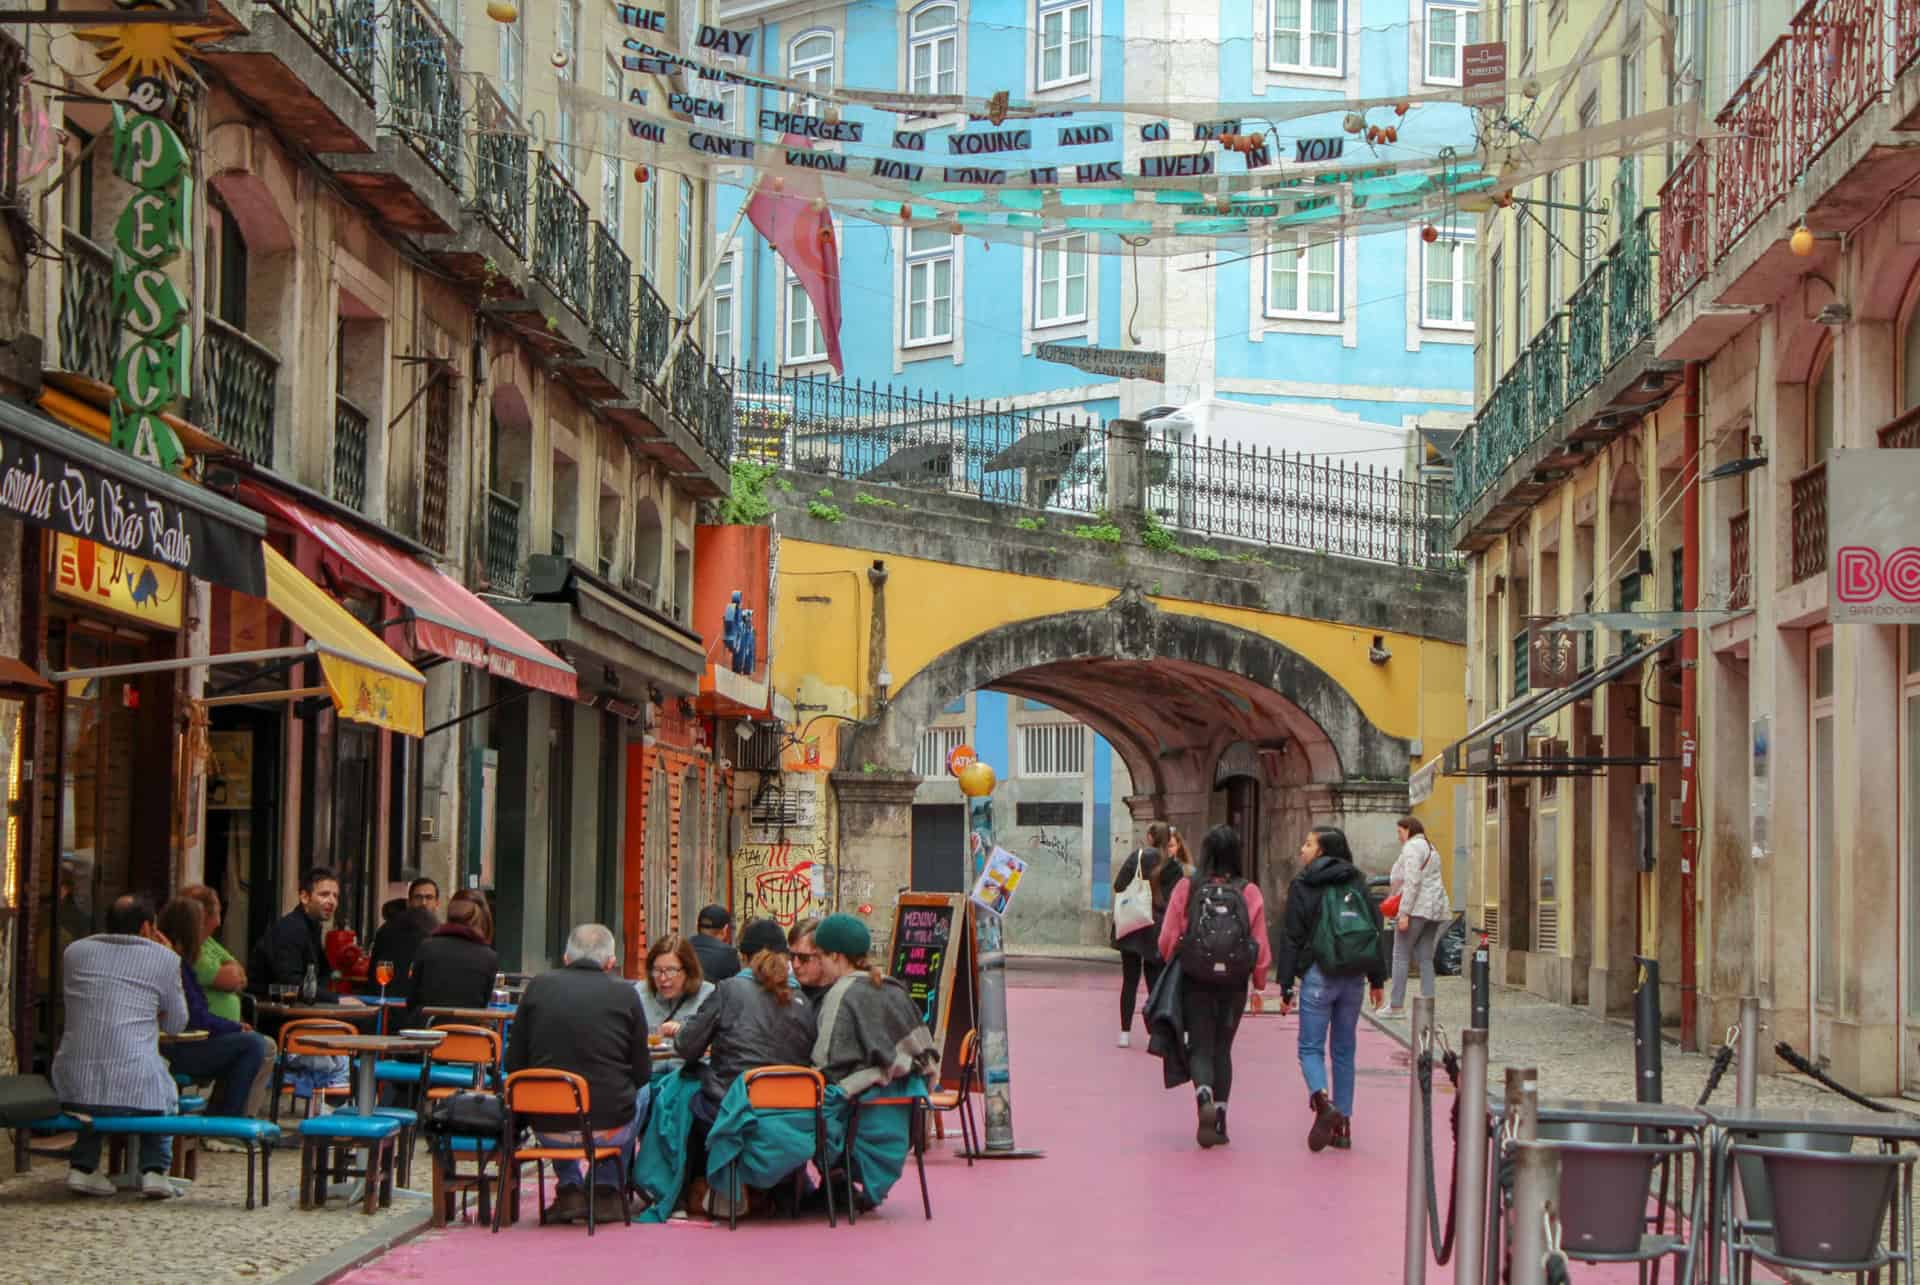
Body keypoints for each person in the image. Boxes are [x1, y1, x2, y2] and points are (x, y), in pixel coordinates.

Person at [506, 924, 652, 1224]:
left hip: (546, 1125)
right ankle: (606, 1188)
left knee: (550, 1088)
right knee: (644, 1091)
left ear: (566, 958)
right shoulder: (625, 993)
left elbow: (514, 1063)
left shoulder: (538, 987)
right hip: (608, 1128)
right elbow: (642, 1071)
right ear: (610, 962)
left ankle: (570, 1187)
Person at [674, 918, 817, 1215]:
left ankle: (691, 1190)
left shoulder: (729, 990)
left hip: (735, 1107)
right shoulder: (803, 1000)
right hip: (792, 1113)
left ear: (744, 956)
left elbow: (686, 1046)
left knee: (685, 1099)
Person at [51, 894, 188, 1199]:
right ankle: (155, 1170)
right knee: (159, 1084)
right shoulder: (163, 958)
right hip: (136, 1086)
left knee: (96, 1087)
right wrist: (167, 960)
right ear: (146, 927)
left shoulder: (75, 952)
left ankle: (83, 1166)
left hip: (72, 1083)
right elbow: (176, 1025)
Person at [1275, 825, 1388, 1153]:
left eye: (1308, 844)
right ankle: (1344, 1125)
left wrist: (1285, 984)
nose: (1302, 849)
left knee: (1310, 1048)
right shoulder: (1358, 881)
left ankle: (1323, 1103)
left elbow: (1292, 936)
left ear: (1322, 850)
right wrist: (1377, 979)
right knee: (1344, 1050)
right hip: (1353, 975)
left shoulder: (1303, 884)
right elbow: (1374, 929)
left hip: (1319, 973)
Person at [1157, 825, 1270, 1149]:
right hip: (1234, 983)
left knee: (1201, 1045)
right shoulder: (1248, 891)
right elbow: (1260, 944)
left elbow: (1167, 939)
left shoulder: (1188, 887)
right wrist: (1259, 983)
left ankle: (1203, 1096)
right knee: (1223, 1047)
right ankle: (1220, 1118)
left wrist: (1175, 960)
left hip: (1196, 979)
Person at [156, 897, 274, 1121]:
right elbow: (193, 1017)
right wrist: (233, 1027)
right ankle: (228, 1120)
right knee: (253, 1044)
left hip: (185, 1039)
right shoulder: (174, 962)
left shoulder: (182, 960)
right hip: (176, 1046)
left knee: (252, 1043)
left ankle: (225, 1115)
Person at [808, 914, 939, 1096]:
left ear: (835, 955)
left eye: (820, 956)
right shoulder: (895, 988)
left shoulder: (840, 994)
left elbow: (827, 1065)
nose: (820, 965)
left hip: (859, 1108)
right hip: (909, 1104)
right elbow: (926, 1054)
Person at [1112, 821, 1181, 1048]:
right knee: (1154, 982)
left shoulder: (1138, 856)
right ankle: (1153, 1032)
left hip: (1133, 924)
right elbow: (1176, 899)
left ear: (1150, 837)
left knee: (1129, 981)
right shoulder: (1173, 866)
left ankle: (1124, 1032)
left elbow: (1119, 885)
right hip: (1157, 927)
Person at [250, 866, 362, 1006]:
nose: (332, 901)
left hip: (296, 1005)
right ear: (304, 897)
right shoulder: (291, 928)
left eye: (335, 896)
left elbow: (323, 973)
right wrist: (335, 1000)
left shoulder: (312, 927)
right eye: (324, 894)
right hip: (271, 1008)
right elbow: (291, 982)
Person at [1383, 816, 1449, 1019]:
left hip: (1416, 908)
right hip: (1435, 909)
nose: (1399, 837)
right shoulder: (1431, 847)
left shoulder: (1412, 847)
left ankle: (1396, 1006)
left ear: (1408, 829)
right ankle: (1428, 1004)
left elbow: (1412, 881)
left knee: (1400, 955)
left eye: (1400, 832)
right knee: (1425, 958)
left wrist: (1404, 913)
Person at [403, 890, 499, 1027]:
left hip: (426, 1031)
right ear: (483, 920)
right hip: (469, 1034)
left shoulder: (427, 947)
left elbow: (412, 999)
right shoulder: (489, 957)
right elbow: (483, 1005)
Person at [635, 935, 714, 1072]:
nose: (663, 978)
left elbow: (717, 1048)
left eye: (671, 971)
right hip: (648, 1075)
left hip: (688, 1076)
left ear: (688, 970)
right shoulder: (639, 994)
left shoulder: (708, 996)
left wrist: (685, 1033)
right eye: (657, 970)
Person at [179, 884, 247, 1025]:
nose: (218, 922)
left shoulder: (208, 942)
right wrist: (228, 973)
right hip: (209, 1029)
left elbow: (242, 977)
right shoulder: (189, 951)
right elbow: (232, 979)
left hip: (226, 1027)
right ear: (203, 915)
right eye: (217, 913)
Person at [366, 905, 435, 1000]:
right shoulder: (433, 931)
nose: (424, 903)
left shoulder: (385, 929)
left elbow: (372, 972)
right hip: (415, 999)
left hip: (385, 997)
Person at [690, 904, 742, 983]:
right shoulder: (729, 954)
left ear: (697, 926)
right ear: (725, 929)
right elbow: (733, 987)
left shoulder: (683, 947)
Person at [787, 917, 828, 1005]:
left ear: (822, 955)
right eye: (792, 956)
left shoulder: (838, 1000)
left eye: (803, 958)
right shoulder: (788, 993)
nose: (795, 965)